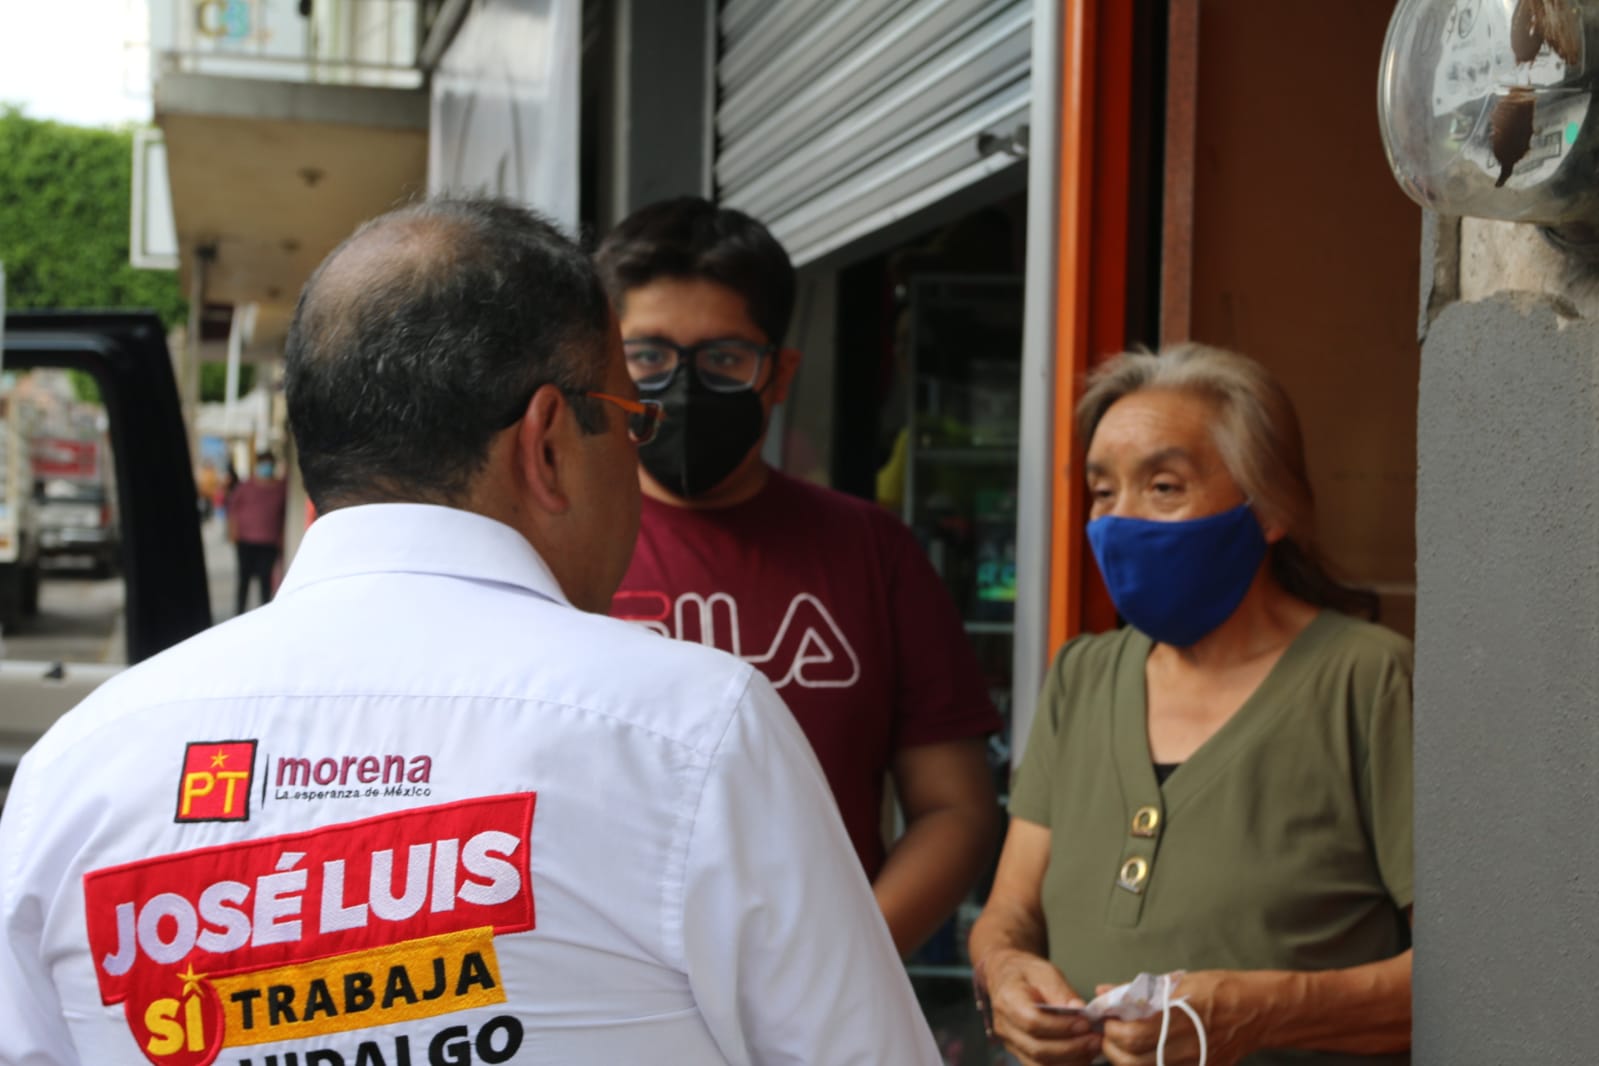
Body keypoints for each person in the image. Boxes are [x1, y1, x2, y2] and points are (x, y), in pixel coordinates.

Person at [0, 197, 940, 1065]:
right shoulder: (693, 728)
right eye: (629, 415)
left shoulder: (79, 766)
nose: (647, 445)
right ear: (545, 443)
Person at [968, 344, 1413, 1066]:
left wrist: (1256, 1013)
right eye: (1102, 491)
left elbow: (1466, 976)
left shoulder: (1367, 681)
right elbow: (1008, 913)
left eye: (1163, 486)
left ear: (1268, 508)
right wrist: (1004, 971)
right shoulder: (1080, 675)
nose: (1120, 521)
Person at [598, 197, 1002, 955]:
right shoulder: (552, 557)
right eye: (647, 356)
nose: (682, 385)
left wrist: (840, 976)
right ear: (606, 369)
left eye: (723, 359)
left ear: (778, 375)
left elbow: (955, 809)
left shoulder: (871, 552)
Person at [227, 450, 287, 612]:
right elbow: (232, 509)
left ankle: (264, 612)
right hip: (246, 540)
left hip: (269, 541)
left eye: (269, 464)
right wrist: (233, 532)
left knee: (265, 580)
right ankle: (239, 612)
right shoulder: (246, 486)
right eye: (263, 464)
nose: (266, 467)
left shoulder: (281, 488)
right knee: (244, 579)